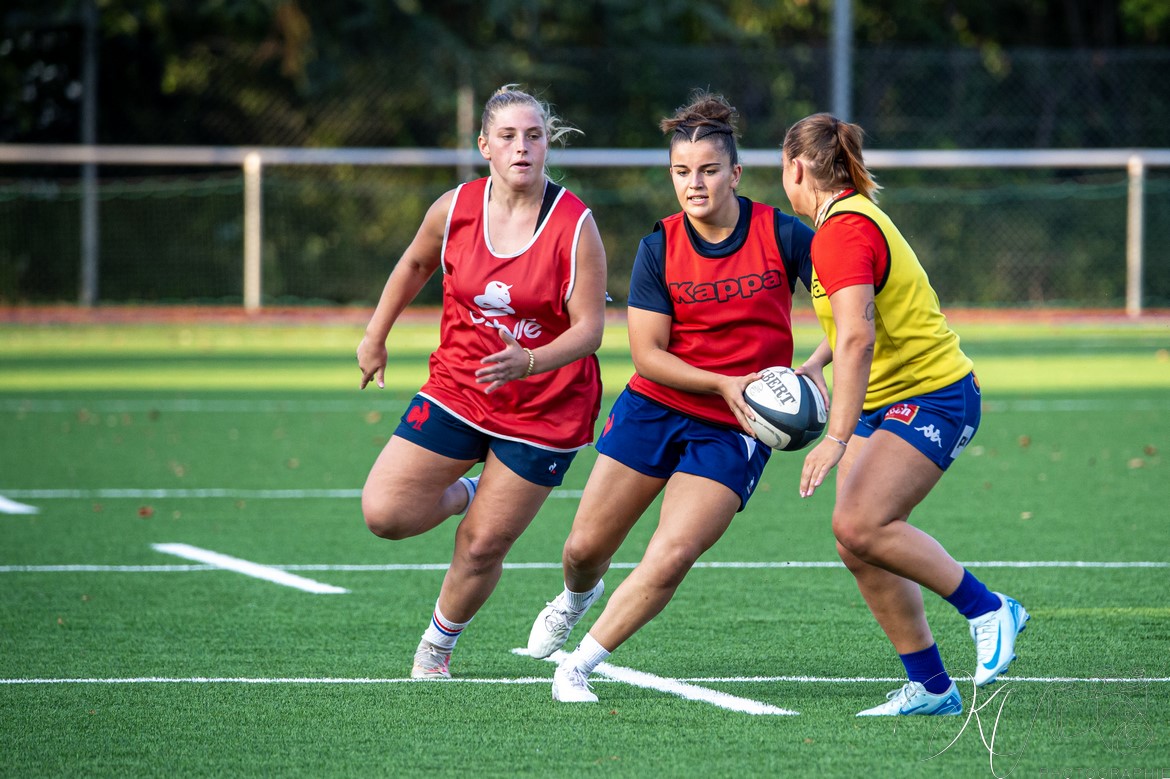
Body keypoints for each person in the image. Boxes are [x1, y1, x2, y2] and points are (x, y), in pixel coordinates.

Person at [526, 91, 814, 703]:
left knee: (674, 551)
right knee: (582, 550)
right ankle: (577, 596)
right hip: (656, 405)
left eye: (708, 170)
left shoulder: (783, 234)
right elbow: (648, 353)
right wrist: (721, 382)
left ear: (735, 174)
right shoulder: (659, 246)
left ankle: (578, 666)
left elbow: (855, 306)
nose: (695, 184)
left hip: (735, 426)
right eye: (682, 172)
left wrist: (813, 368)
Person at [779, 113, 1030, 716]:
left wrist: (835, 437)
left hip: (935, 394)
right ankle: (932, 687)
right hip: (885, 398)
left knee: (863, 524)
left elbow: (859, 337)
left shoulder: (841, 231)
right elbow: (855, 318)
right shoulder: (846, 220)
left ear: (796, 169)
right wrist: (815, 362)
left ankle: (990, 609)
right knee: (855, 541)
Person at [356, 84, 607, 679]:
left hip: (546, 407)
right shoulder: (455, 208)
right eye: (508, 136)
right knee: (385, 513)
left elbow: (591, 330)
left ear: (547, 145)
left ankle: (436, 647)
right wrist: (375, 335)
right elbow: (416, 262)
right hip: (459, 388)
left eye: (534, 136)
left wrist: (530, 361)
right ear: (485, 146)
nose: (522, 147)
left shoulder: (575, 225)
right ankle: (474, 492)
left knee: (482, 544)